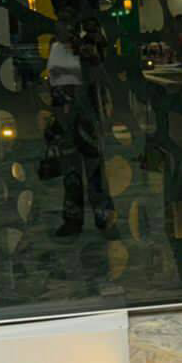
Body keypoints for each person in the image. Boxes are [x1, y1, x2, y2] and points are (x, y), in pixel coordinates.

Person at [45, 12, 113, 238]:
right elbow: (54, 86)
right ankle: (75, 219)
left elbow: (100, 80)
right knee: (72, 173)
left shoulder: (86, 50)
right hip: (68, 118)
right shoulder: (57, 49)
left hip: (85, 118)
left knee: (93, 171)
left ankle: (101, 217)